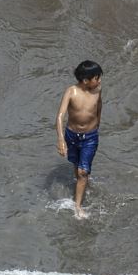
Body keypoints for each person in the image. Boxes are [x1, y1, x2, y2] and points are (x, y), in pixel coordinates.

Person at [55, 61, 104, 219]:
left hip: (90, 136)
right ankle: (82, 184)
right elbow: (60, 116)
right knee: (77, 166)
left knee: (83, 172)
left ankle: (77, 206)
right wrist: (61, 140)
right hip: (71, 135)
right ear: (85, 80)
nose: (99, 81)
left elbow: (99, 105)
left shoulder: (98, 90)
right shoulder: (71, 92)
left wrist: (98, 122)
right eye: (97, 78)